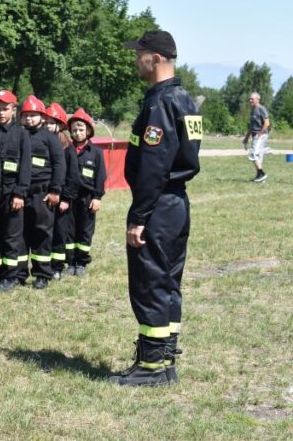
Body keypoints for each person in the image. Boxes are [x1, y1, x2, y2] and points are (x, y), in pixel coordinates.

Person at [110, 30, 201, 387]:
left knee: (150, 282)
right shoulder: (185, 99)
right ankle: (166, 357)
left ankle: (151, 367)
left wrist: (138, 217)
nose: (136, 61)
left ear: (157, 59)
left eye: (140, 55)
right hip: (176, 202)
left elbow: (153, 167)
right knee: (168, 281)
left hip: (159, 204)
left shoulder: (160, 103)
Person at [16, 96, 64, 290]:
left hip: (42, 192)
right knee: (19, 233)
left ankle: (42, 273)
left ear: (42, 117)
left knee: (41, 232)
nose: (29, 119)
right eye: (26, 115)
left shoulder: (50, 138)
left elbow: (60, 164)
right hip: (20, 192)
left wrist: (55, 190)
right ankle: (19, 272)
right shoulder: (18, 136)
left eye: (33, 115)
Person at [0, 90, 32, 291]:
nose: (1, 113)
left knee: (12, 236)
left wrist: (20, 193)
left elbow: (25, 166)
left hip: (12, 192)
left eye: (5, 109)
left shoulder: (22, 135)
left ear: (14, 110)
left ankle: (11, 276)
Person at [66, 108, 106, 276]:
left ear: (89, 131)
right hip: (70, 198)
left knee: (85, 230)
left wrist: (97, 197)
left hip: (87, 198)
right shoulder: (67, 151)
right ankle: (70, 262)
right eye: (74, 129)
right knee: (69, 230)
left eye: (81, 129)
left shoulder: (96, 153)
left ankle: (81, 262)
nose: (78, 132)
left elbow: (101, 176)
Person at [47, 102, 78, 280]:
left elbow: (73, 176)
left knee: (59, 231)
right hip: (46, 195)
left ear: (60, 125)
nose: (48, 126)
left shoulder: (67, 147)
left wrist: (66, 198)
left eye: (52, 123)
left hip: (62, 199)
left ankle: (57, 266)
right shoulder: (42, 142)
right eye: (46, 122)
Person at [243, 92, 270, 183]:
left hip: (260, 135)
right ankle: (260, 178)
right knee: (258, 155)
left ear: (257, 100)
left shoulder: (261, 109)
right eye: (249, 99)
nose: (250, 100)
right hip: (256, 135)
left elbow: (267, 123)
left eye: (252, 99)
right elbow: (251, 127)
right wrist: (246, 138)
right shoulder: (253, 110)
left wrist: (260, 134)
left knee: (253, 154)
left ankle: (261, 173)